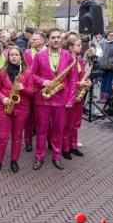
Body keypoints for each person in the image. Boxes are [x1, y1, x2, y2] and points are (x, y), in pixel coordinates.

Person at [31, 28, 77, 170]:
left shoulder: (68, 56)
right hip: (43, 99)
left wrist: (70, 99)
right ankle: (39, 156)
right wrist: (42, 82)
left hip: (61, 99)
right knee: (41, 130)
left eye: (58, 37)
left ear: (61, 40)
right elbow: (31, 76)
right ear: (48, 40)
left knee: (58, 129)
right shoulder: (39, 56)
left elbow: (73, 79)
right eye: (53, 37)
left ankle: (56, 156)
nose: (56, 40)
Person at [0, 47, 33, 175]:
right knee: (2, 136)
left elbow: (31, 92)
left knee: (17, 136)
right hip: (5, 107)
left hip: (22, 108)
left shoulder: (28, 72)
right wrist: (2, 98)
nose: (14, 57)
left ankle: (14, 160)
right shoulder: (2, 72)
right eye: (11, 55)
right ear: (8, 57)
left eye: (16, 55)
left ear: (21, 56)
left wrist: (24, 88)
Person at [62, 37, 90, 159]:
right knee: (68, 124)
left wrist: (87, 82)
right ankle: (65, 148)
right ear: (71, 47)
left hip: (79, 95)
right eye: (78, 45)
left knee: (76, 123)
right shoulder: (66, 59)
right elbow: (65, 80)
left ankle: (73, 146)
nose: (80, 47)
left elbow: (83, 75)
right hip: (69, 95)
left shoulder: (79, 59)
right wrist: (79, 84)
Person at [23, 32, 46, 152]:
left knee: (42, 118)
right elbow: (26, 71)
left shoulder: (49, 52)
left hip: (45, 90)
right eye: (31, 39)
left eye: (34, 39)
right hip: (31, 89)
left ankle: (45, 142)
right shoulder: (27, 53)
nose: (31, 41)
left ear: (42, 41)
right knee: (29, 117)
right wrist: (30, 85)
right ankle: (28, 141)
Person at [98, 31, 113, 104]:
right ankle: (101, 97)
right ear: (107, 36)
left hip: (111, 67)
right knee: (103, 82)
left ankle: (106, 99)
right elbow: (100, 53)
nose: (110, 36)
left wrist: (112, 60)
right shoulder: (104, 43)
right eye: (109, 35)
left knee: (109, 83)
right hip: (104, 67)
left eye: (112, 35)